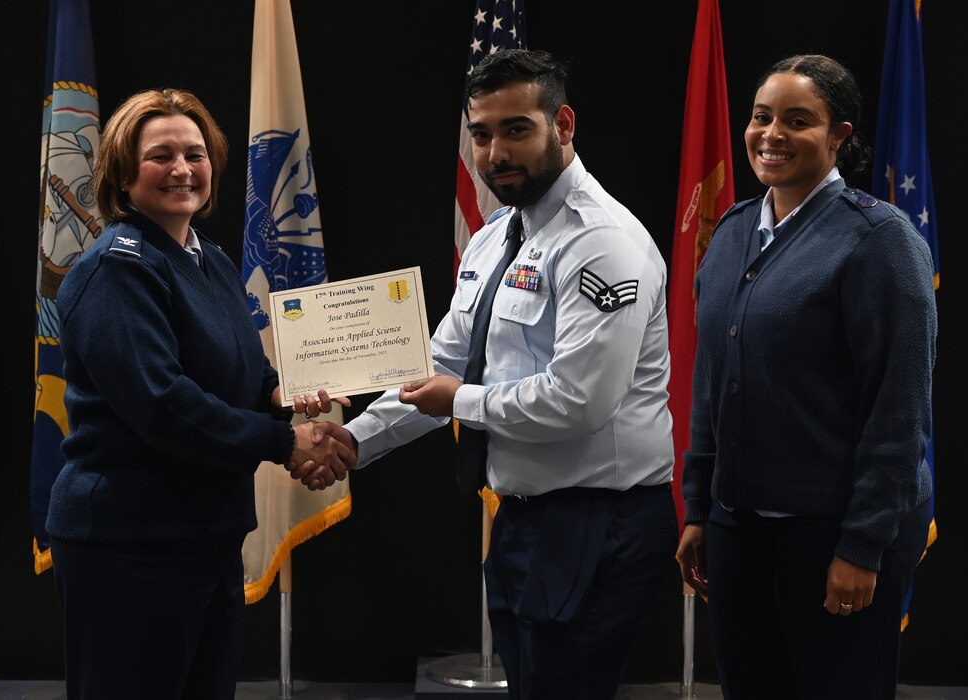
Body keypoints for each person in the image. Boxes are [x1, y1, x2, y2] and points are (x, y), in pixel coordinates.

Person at [290, 49, 679, 699]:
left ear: (563, 125)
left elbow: (579, 402)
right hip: (525, 523)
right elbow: (440, 365)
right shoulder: (496, 235)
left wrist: (460, 401)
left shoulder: (602, 242)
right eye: (481, 133)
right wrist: (355, 439)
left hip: (598, 523)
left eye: (516, 129)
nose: (496, 152)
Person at [47, 88, 356, 700]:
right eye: (161, 155)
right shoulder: (116, 270)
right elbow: (162, 405)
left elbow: (244, 370)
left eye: (195, 153)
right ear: (123, 172)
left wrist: (285, 398)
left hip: (205, 535)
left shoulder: (207, 259)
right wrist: (284, 442)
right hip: (130, 545)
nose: (183, 169)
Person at [675, 54, 936, 700]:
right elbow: (711, 386)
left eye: (797, 120)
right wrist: (700, 508)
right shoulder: (732, 231)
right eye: (761, 117)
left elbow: (899, 412)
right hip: (738, 529)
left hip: (833, 537)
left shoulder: (879, 240)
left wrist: (862, 546)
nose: (772, 134)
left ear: (839, 135)